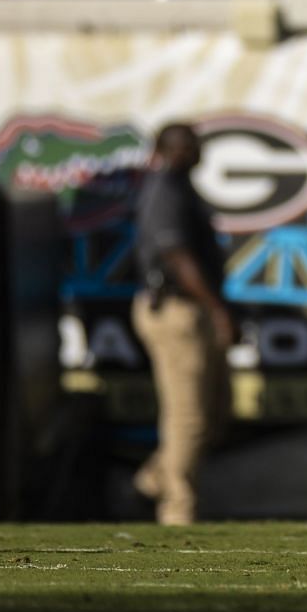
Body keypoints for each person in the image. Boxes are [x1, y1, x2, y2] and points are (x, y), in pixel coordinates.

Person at [131, 123, 237, 527]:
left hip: (192, 309)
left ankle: (150, 482)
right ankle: (177, 512)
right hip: (175, 309)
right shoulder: (165, 189)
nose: (195, 151)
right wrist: (217, 310)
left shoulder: (182, 188)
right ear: (166, 150)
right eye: (186, 145)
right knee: (187, 417)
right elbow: (175, 255)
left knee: (211, 416)